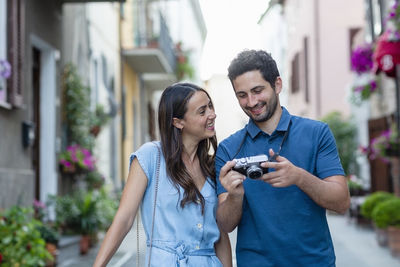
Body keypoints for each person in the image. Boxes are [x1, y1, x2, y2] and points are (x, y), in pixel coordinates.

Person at [215, 50, 350, 266]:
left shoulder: (317, 133)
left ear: (277, 84)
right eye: (242, 95)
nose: (251, 102)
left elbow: (342, 202)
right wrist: (234, 196)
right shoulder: (228, 149)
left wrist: (299, 177)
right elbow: (225, 224)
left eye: (257, 91)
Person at [94, 83, 232, 267]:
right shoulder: (151, 157)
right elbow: (124, 219)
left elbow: (221, 235)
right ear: (178, 122)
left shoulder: (212, 165)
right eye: (202, 111)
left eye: (210, 106)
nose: (211, 114)